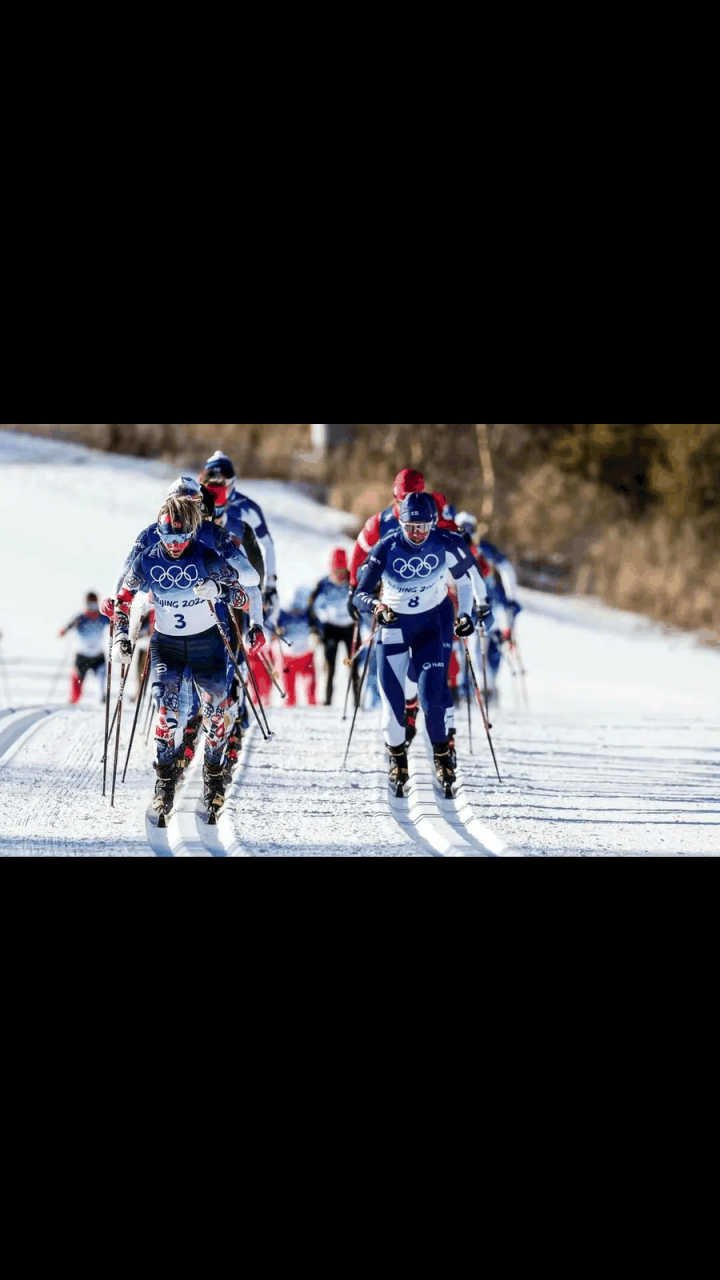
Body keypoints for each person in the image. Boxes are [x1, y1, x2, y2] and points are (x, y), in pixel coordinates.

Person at [113, 497, 265, 822]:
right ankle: (164, 784)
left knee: (215, 716)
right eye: (169, 539)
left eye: (182, 538)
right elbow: (122, 601)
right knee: (167, 715)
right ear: (159, 532)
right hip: (167, 645)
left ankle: (213, 778)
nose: (176, 546)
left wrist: (218, 590)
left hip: (206, 644)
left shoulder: (205, 556)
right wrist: (122, 637)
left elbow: (241, 593)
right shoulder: (146, 561)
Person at [353, 493, 491, 798]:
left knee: (432, 697)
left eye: (423, 526)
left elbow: (467, 580)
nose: (417, 533)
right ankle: (398, 758)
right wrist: (376, 606)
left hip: (432, 623)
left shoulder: (447, 541)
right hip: (394, 626)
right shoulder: (386, 546)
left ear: (433, 522)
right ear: (400, 522)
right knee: (392, 713)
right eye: (410, 526)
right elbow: (359, 593)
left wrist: (467, 613)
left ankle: (443, 757)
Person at [199, 452, 279, 619]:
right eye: (213, 475)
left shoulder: (247, 507)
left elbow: (267, 546)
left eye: (224, 479)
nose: (220, 482)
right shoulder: (196, 499)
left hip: (238, 573)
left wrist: (269, 586)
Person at [349, 468, 425, 591]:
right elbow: (360, 550)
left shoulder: (433, 521)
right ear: (396, 498)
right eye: (403, 503)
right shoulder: (380, 522)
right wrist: (353, 586)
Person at [309, 549, 359, 706]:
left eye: (342, 571)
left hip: (350, 628)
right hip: (330, 629)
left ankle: (356, 701)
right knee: (330, 666)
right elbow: (313, 607)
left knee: (353, 665)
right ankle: (328, 699)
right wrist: (316, 629)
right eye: (336, 571)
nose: (340, 575)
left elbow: (361, 600)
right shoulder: (323, 584)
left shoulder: (353, 581)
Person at [59, 594, 110, 705]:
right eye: (90, 604)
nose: (92, 607)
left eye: (94, 604)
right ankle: (73, 702)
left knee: (102, 679)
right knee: (77, 684)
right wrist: (63, 632)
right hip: (82, 657)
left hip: (98, 656)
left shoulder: (103, 617)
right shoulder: (80, 618)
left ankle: (102, 700)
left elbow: (115, 626)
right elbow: (65, 629)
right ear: (86, 604)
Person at [276, 589, 318, 708]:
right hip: (288, 655)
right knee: (289, 686)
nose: (296, 611)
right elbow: (275, 630)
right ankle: (289, 704)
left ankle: (312, 704)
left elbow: (316, 628)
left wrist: (316, 635)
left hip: (306, 654)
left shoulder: (308, 613)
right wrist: (278, 632)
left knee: (310, 684)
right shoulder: (282, 614)